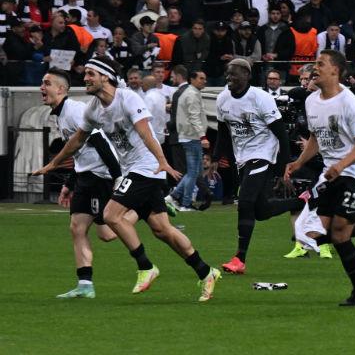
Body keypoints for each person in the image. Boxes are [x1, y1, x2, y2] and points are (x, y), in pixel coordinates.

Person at [34, 55, 220, 301]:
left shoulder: (128, 99)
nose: (85, 78)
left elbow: (145, 133)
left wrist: (161, 161)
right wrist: (53, 164)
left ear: (105, 77)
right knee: (162, 230)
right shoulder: (93, 109)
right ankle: (206, 272)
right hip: (134, 168)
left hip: (146, 167)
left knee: (111, 216)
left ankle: (145, 266)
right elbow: (77, 140)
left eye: (91, 74)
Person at [285, 51, 355, 307]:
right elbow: (317, 138)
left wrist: (340, 165)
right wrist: (299, 162)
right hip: (331, 174)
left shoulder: (348, 102)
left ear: (335, 71)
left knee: (340, 234)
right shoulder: (311, 101)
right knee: (312, 235)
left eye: (320, 64)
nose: (314, 68)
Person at [37, 70, 123, 298]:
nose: (41, 88)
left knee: (106, 234)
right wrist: (70, 183)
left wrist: (118, 178)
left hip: (99, 177)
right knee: (77, 227)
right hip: (86, 177)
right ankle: (85, 285)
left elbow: (102, 144)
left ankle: (142, 206)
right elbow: (78, 154)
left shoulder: (75, 111)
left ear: (61, 89)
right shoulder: (61, 115)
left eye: (47, 83)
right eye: (41, 83)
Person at [216, 58, 302, 275]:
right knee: (261, 211)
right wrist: (216, 158)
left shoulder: (260, 98)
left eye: (234, 75)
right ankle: (300, 202)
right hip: (242, 157)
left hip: (264, 154)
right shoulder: (223, 99)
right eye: (227, 75)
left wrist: (284, 165)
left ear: (247, 76)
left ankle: (239, 258)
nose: (229, 79)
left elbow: (281, 133)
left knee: (244, 202)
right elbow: (224, 131)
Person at [169, 69, 207, 212]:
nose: (204, 81)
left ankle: (174, 196)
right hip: (192, 136)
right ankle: (185, 203)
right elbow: (194, 116)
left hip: (188, 136)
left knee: (193, 171)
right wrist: (202, 136)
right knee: (192, 172)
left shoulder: (191, 93)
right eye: (201, 78)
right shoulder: (191, 94)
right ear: (192, 79)